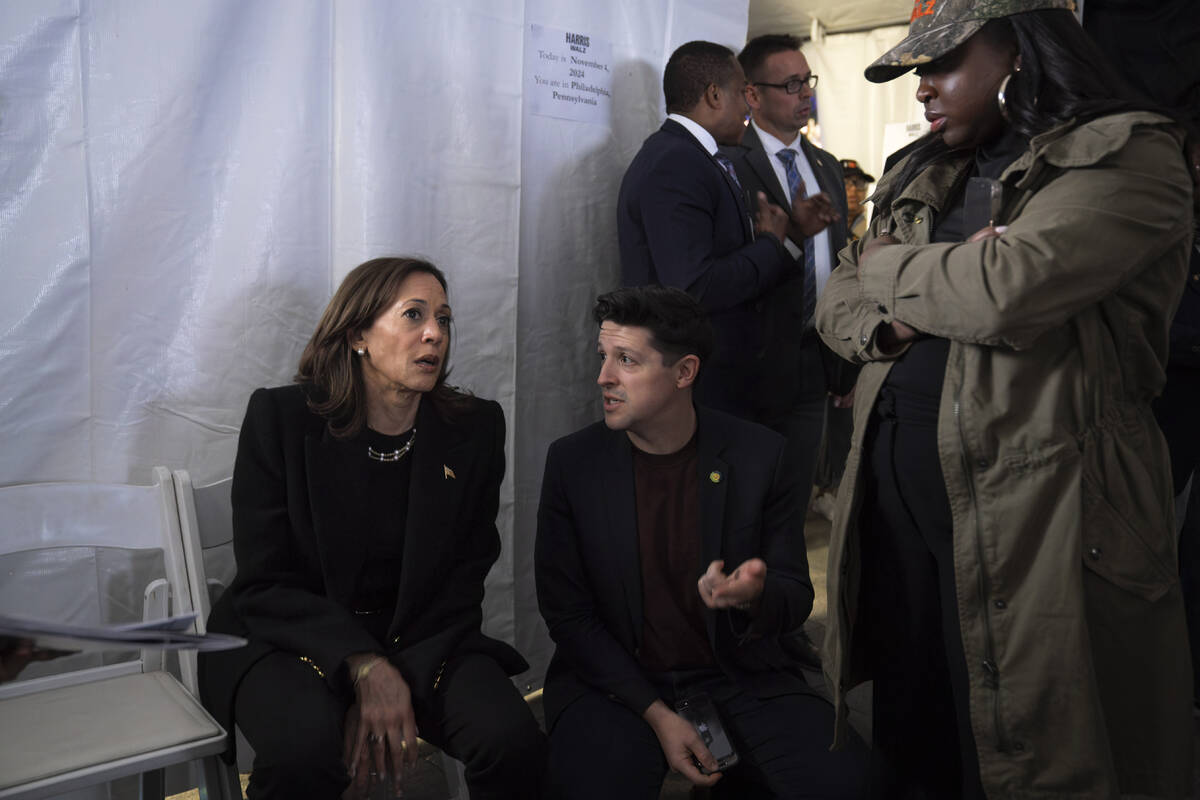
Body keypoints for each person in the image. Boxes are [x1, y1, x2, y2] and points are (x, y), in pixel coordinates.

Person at [815, 0, 1195, 797]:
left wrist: (891, 267)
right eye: (920, 70)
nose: (923, 87)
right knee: (915, 724)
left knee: (1025, 737)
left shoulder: (1126, 154)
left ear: (1018, 50)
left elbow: (1002, 292)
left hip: (1038, 504)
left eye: (944, 63)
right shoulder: (927, 168)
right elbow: (836, 297)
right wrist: (890, 327)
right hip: (898, 501)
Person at [199, 257, 544, 800]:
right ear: (358, 333)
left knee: (511, 740)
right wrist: (362, 666)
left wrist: (396, 668)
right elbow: (267, 581)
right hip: (291, 636)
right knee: (303, 754)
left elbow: (465, 571)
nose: (435, 332)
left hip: (424, 635)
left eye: (444, 319)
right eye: (413, 315)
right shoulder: (283, 419)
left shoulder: (475, 428)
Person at [536, 285, 866, 800]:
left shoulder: (760, 456)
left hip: (740, 675)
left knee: (851, 784)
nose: (603, 377)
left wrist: (754, 596)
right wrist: (659, 715)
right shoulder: (573, 464)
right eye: (604, 357)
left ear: (684, 372)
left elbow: (795, 594)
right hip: (617, 685)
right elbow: (568, 615)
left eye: (626, 360)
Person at [617, 40, 839, 419]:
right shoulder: (676, 163)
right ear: (714, 95)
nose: (747, 106)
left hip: (725, 380)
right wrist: (771, 242)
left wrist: (792, 236)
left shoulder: (694, 156)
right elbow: (694, 287)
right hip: (699, 385)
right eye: (741, 93)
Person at [839, 159, 874, 243]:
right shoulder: (822, 231)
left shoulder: (875, 229)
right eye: (845, 183)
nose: (854, 189)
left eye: (860, 183)